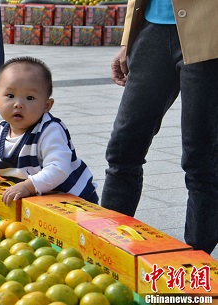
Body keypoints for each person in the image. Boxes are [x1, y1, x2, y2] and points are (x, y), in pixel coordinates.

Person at [101, 0, 218, 254]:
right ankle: (109, 249)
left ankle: (195, 264)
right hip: (152, 28)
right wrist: (127, 39)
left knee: (202, 157)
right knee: (124, 147)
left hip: (209, 31)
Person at [0, 56, 98, 208]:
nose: (18, 104)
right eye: (10, 95)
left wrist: (28, 186)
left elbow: (58, 168)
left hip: (74, 201)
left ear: (46, 106)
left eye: (29, 98)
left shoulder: (49, 130)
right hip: (40, 201)